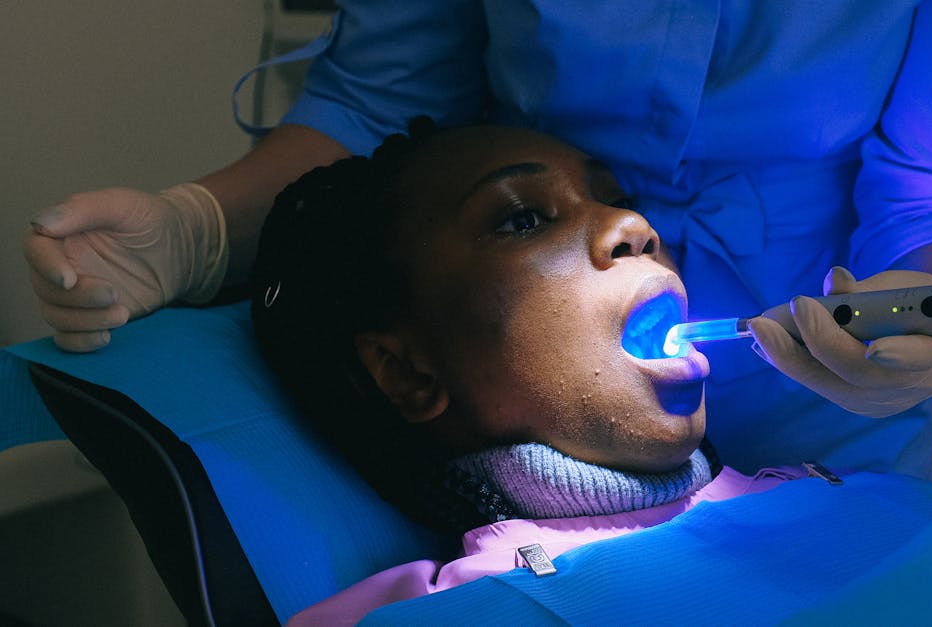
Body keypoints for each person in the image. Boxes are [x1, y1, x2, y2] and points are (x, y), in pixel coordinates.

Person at [23, 2, 932, 480]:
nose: (636, 230)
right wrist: (204, 230)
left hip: (832, 429)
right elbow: (380, 109)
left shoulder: (818, 512)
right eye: (535, 215)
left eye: (614, 202)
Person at [251, 119, 851, 624]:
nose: (636, 229)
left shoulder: (826, 500)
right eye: (523, 220)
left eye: (620, 201)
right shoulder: (458, 610)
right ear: (408, 371)